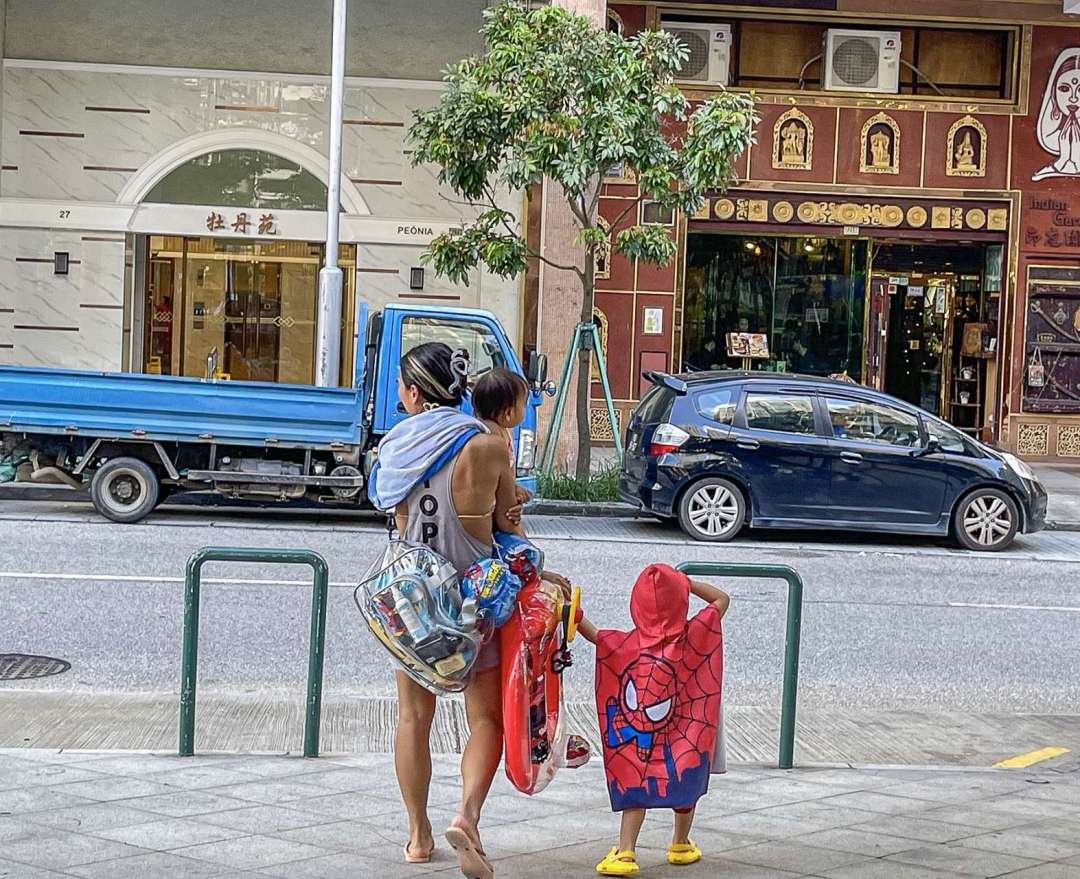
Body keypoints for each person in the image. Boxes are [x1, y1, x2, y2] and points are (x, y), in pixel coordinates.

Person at [367, 342, 518, 879]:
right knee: (485, 719)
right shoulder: (487, 444)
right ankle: (468, 816)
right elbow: (508, 522)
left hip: (414, 608)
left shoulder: (396, 448)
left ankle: (416, 835)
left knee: (413, 718)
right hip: (477, 603)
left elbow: (397, 516)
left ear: (412, 391)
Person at [575, 564, 730, 877]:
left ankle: (626, 851)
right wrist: (687, 583)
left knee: (636, 786)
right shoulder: (696, 632)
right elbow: (722, 599)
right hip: (683, 730)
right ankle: (680, 844)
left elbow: (596, 637)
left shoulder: (627, 644)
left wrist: (575, 615)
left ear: (636, 605)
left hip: (642, 740)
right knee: (685, 780)